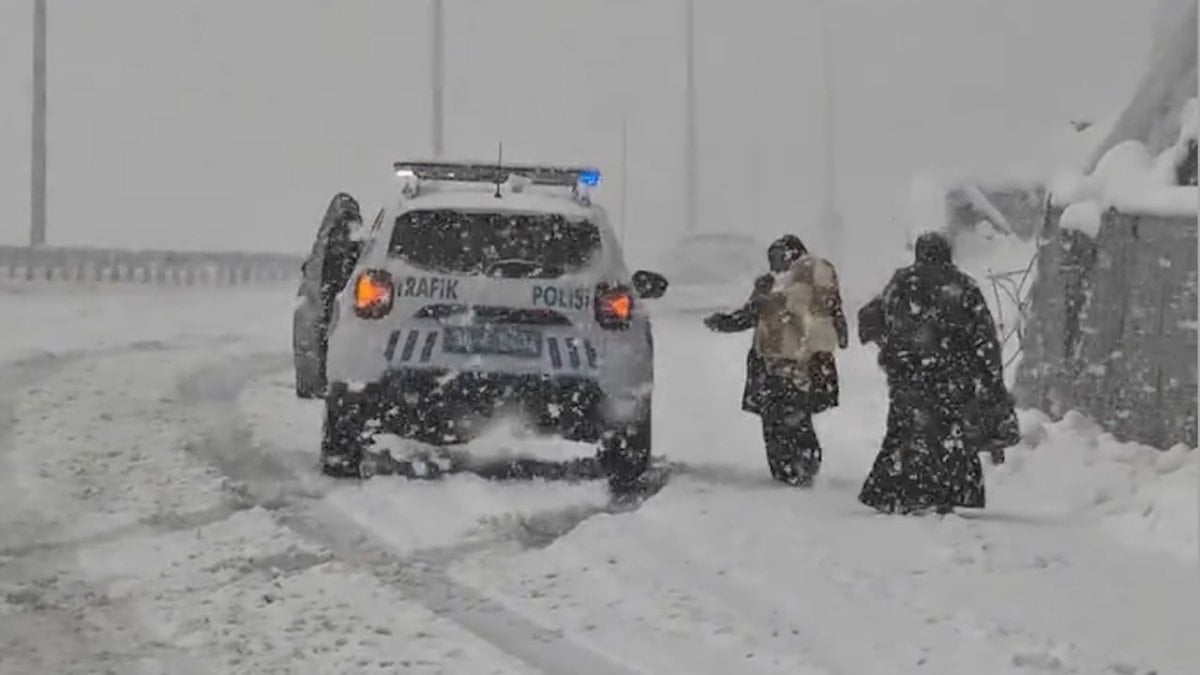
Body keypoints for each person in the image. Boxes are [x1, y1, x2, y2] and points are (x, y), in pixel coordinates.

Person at [857, 231, 1020, 514]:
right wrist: (991, 382)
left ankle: (899, 488)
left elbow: (873, 318)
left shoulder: (901, 282)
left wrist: (892, 347)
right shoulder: (963, 286)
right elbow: (984, 339)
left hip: (907, 374)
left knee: (905, 430)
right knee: (949, 433)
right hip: (953, 376)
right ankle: (945, 491)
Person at [703, 235, 849, 486]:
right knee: (793, 414)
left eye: (777, 258)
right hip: (802, 360)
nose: (773, 265)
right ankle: (801, 464)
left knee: (782, 416)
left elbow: (758, 312)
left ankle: (791, 466)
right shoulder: (811, 277)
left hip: (782, 360)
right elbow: (832, 310)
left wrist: (727, 321)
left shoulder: (788, 283)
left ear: (791, 255)